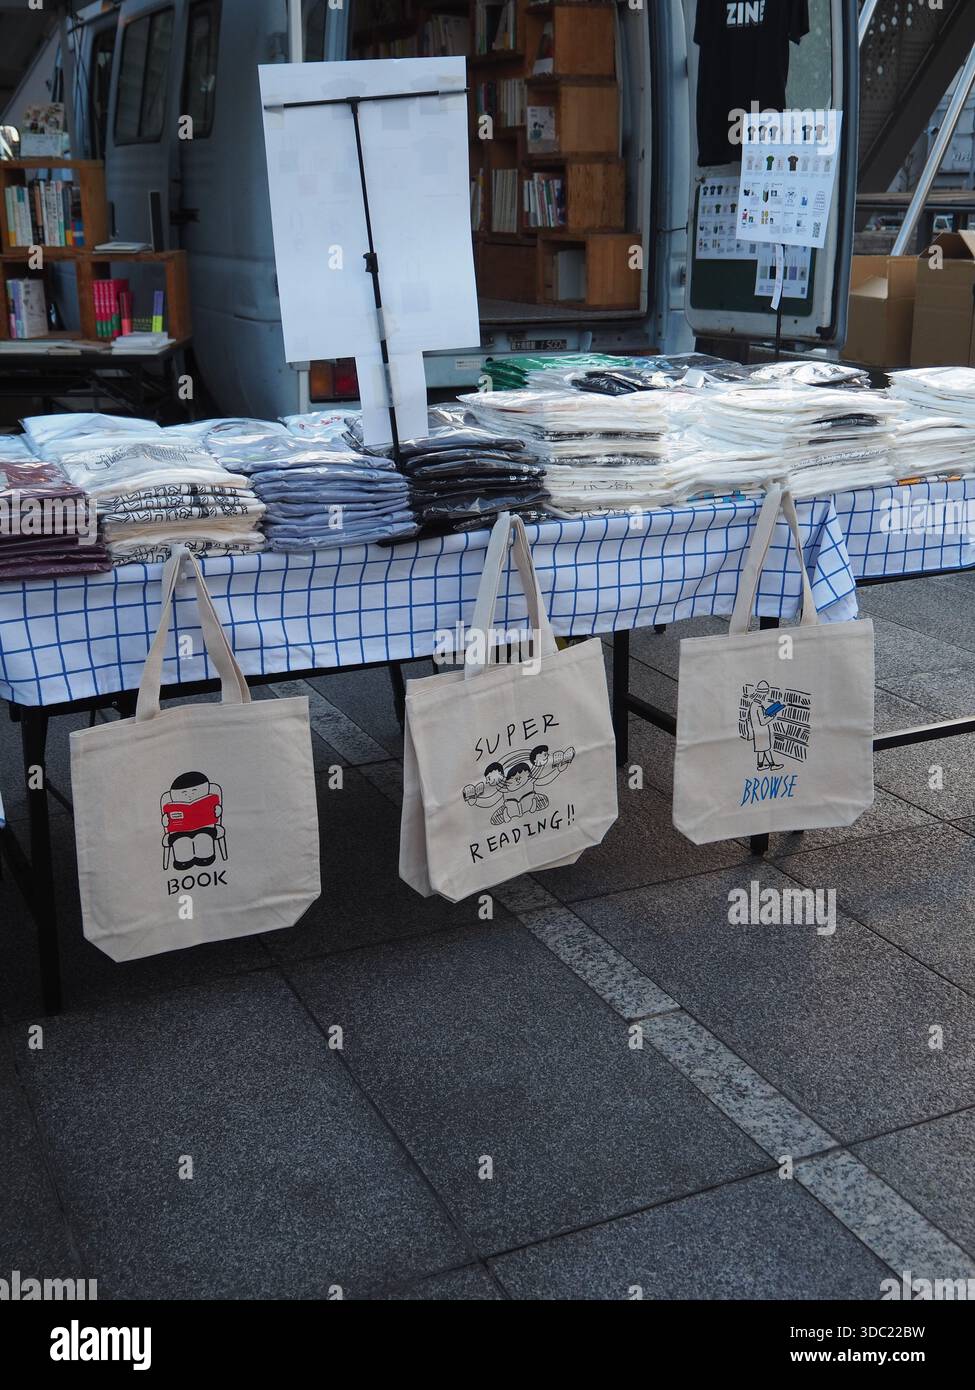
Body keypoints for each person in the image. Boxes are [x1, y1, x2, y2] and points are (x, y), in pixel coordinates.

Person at [746, 682, 783, 771]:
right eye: (765, 694)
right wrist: (772, 716)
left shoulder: (754, 705)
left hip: (756, 731)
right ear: (762, 694)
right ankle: (772, 765)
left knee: (761, 749)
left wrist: (767, 712)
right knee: (766, 749)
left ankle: (760, 766)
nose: (766, 696)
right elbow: (762, 722)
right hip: (761, 730)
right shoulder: (758, 706)